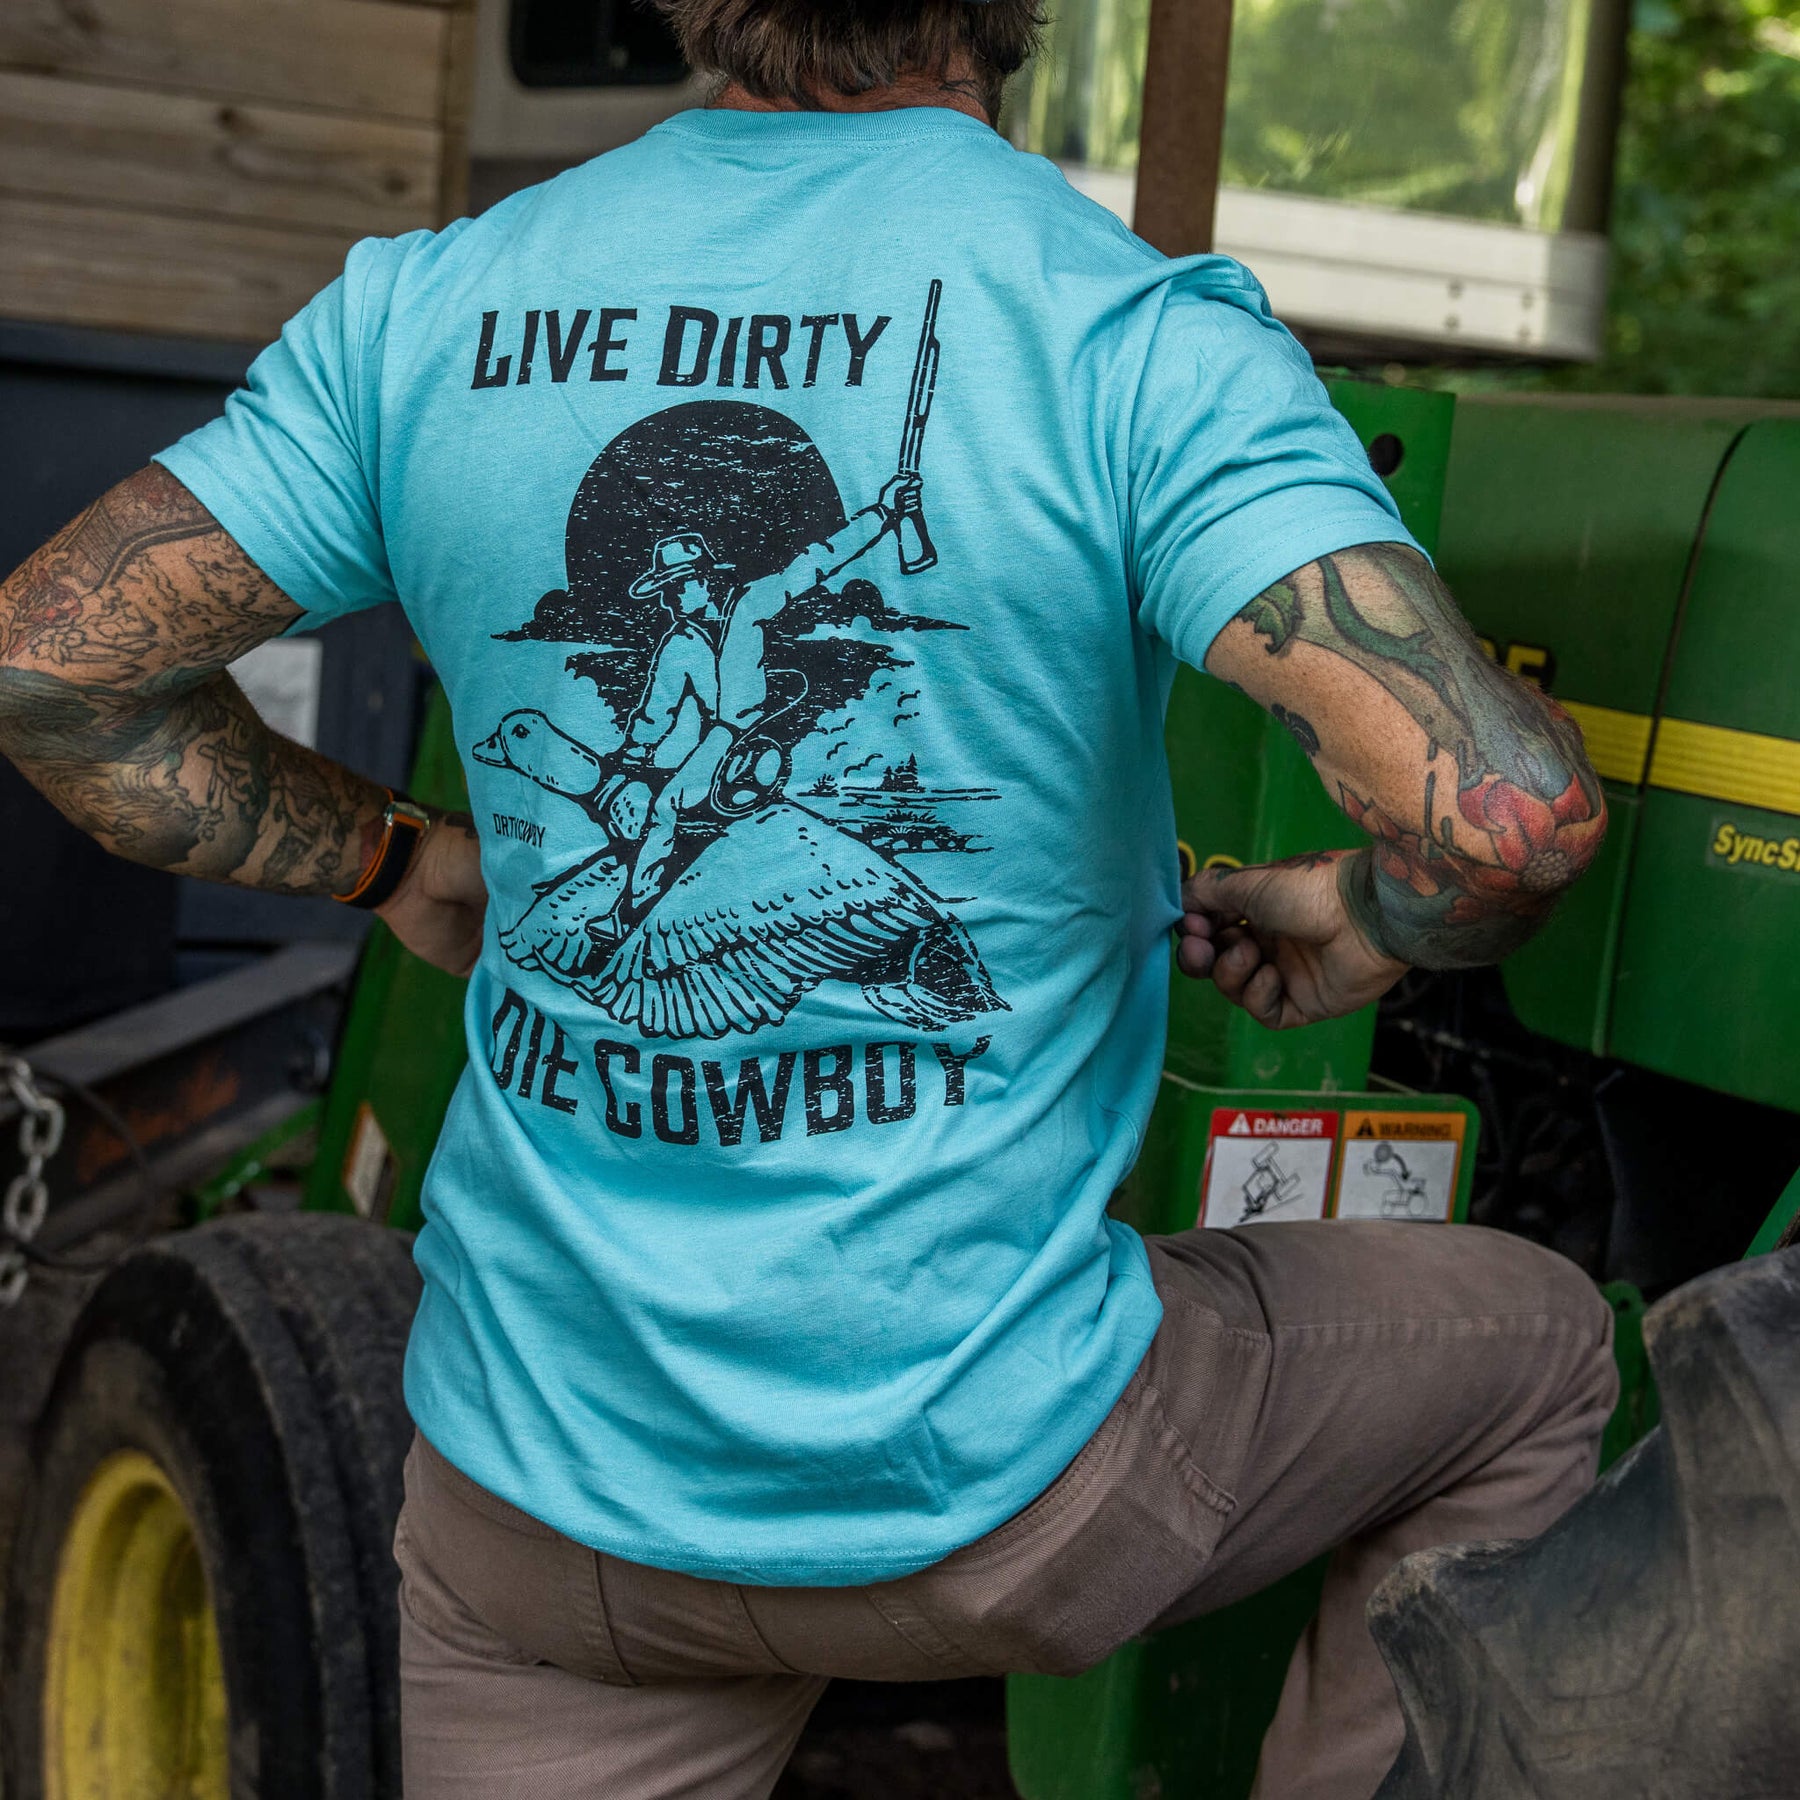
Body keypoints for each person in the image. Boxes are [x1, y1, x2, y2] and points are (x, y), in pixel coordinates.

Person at [0, 3, 1617, 1795]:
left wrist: (395, 861)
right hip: (1003, 1496)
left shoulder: (427, 309)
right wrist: (1376, 926)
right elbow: (1507, 820)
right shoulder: (1130, 333)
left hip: (544, 1510)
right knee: (1545, 1354)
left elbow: (52, 674)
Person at [620, 469, 920, 911]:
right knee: (659, 799)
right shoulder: (680, 642)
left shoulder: (752, 604)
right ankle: (649, 891)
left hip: (753, 731)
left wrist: (883, 512)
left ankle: (629, 908)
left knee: (668, 805)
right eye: (665, 588)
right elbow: (656, 708)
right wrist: (631, 756)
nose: (669, 598)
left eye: (677, 585)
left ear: (704, 579)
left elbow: (818, 560)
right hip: (718, 738)